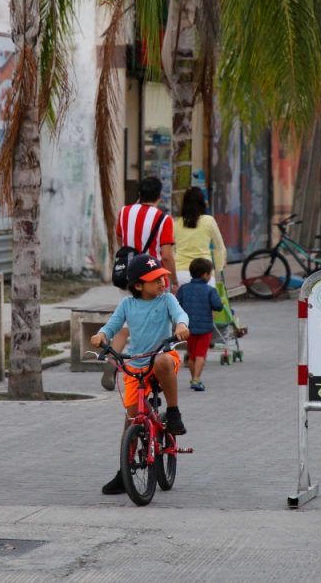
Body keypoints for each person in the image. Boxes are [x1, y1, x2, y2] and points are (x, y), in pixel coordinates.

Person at [90, 254, 190, 495]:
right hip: (136, 366)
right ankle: (124, 472)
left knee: (163, 360)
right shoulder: (127, 305)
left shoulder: (167, 300)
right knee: (131, 421)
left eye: (163, 277)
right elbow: (112, 326)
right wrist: (101, 335)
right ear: (138, 286)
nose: (162, 282)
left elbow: (180, 315)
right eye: (155, 280)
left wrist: (181, 326)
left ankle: (173, 412)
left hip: (161, 359)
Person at [103, 176, 177, 391]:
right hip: (153, 278)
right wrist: (173, 280)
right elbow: (166, 254)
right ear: (159, 195)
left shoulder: (124, 212)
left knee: (125, 322)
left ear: (139, 194)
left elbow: (120, 240)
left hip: (129, 275)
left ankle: (112, 362)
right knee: (157, 324)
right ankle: (153, 368)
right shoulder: (164, 219)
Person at [175, 258, 224, 391]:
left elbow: (176, 305)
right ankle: (196, 379)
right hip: (205, 329)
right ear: (205, 274)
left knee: (191, 355)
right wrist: (221, 303)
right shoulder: (210, 290)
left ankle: (194, 378)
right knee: (200, 355)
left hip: (188, 328)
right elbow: (218, 306)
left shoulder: (183, 289)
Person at [173, 186, 227, 288]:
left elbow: (172, 250)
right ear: (202, 203)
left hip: (181, 273)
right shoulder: (209, 221)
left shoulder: (176, 223)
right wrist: (219, 266)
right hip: (205, 274)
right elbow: (219, 247)